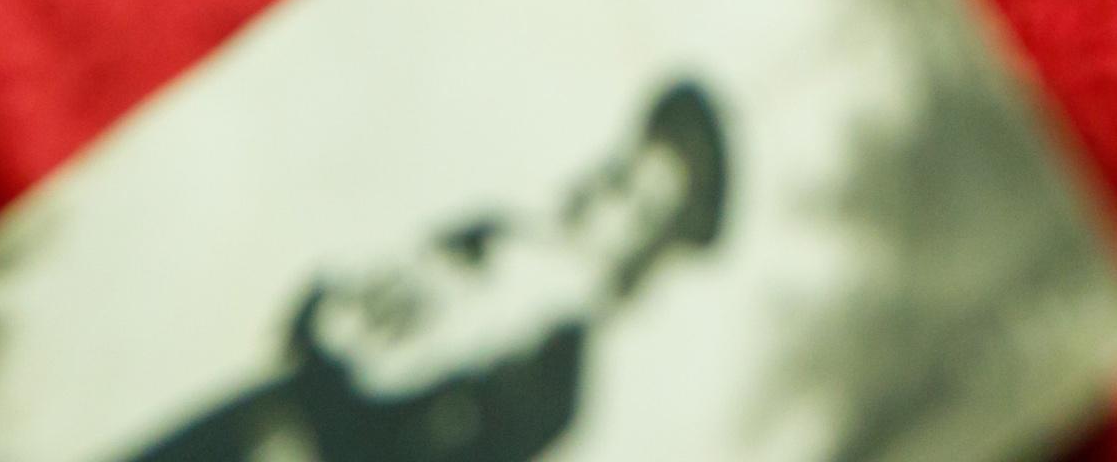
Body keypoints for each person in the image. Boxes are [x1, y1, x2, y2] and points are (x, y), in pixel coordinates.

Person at [125, 81, 732, 462]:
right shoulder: (493, 237)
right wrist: (329, 313)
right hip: (246, 425)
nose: (603, 191)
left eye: (633, 203)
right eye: (618, 168)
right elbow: (325, 310)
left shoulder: (554, 389)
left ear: (644, 252)